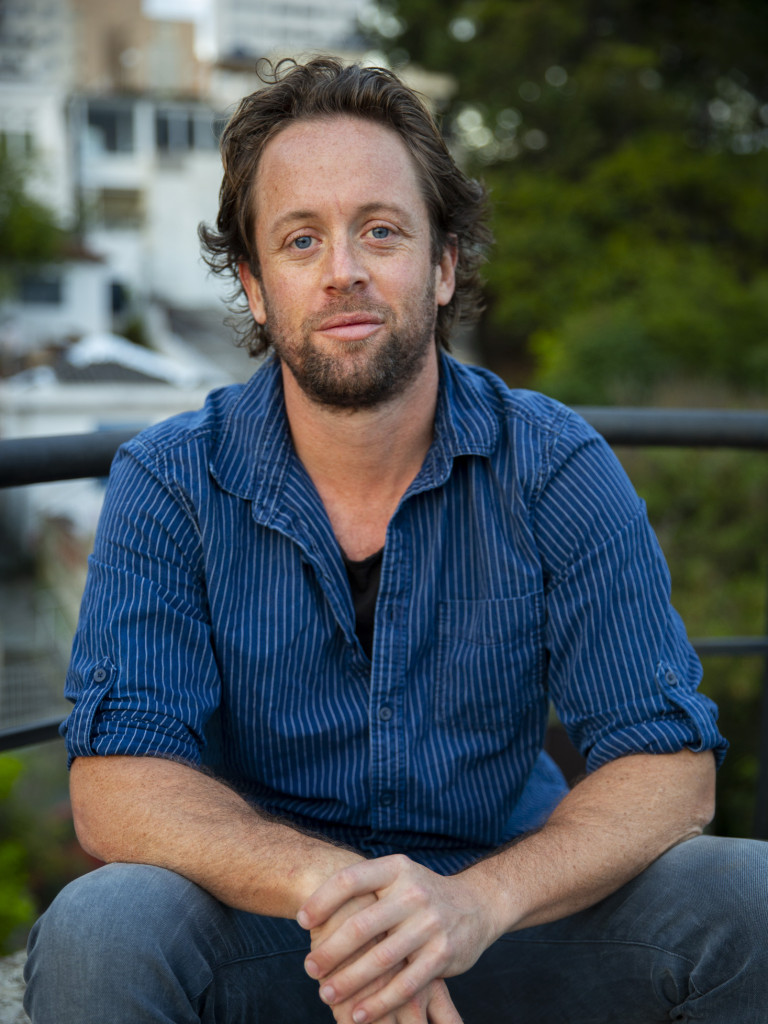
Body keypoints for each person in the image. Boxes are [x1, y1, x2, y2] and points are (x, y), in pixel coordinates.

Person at [24, 57, 767, 1024]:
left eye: (381, 229)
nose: (344, 270)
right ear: (253, 285)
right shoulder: (171, 483)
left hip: (503, 925)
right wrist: (351, 900)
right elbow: (120, 786)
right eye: (301, 240)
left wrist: (468, 905)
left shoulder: (554, 466)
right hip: (277, 929)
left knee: (748, 899)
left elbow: (668, 767)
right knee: (100, 928)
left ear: (443, 263)